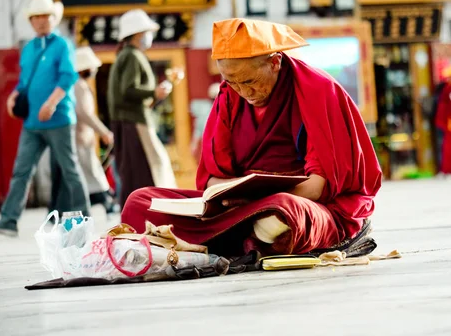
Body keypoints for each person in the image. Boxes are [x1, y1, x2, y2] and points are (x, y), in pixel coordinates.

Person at [121, 18, 382, 256]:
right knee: (140, 201)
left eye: (249, 81)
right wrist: (235, 194)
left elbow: (317, 187)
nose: (243, 91)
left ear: (275, 62)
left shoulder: (317, 92)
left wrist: (254, 200)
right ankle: (246, 240)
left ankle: (227, 240)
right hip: (238, 210)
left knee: (284, 212)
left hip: (306, 203)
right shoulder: (229, 97)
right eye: (232, 82)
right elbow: (211, 180)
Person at [0, 0, 90, 236]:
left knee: (69, 169)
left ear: (54, 18)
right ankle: (8, 220)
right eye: (36, 16)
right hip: (32, 122)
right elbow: (24, 81)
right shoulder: (28, 48)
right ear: (31, 21)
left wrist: (51, 103)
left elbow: (68, 76)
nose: (41, 21)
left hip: (59, 119)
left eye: (45, 16)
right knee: (21, 170)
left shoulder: (63, 44)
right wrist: (14, 95)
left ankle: (83, 217)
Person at [107, 9, 177, 207]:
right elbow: (129, 90)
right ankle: (145, 214)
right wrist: (154, 93)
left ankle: (134, 215)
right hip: (134, 122)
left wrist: (154, 96)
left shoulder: (124, 55)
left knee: (133, 172)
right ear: (138, 34)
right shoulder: (132, 56)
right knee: (146, 171)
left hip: (127, 121)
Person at [49, 47, 116, 214]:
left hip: (79, 136)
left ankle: (103, 201)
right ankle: (105, 201)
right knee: (88, 173)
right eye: (92, 67)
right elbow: (84, 113)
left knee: (87, 173)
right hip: (79, 137)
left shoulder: (76, 84)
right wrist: (103, 131)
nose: (94, 70)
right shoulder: (79, 85)